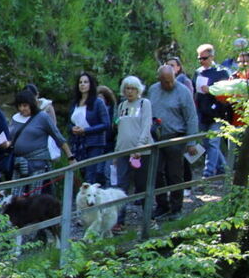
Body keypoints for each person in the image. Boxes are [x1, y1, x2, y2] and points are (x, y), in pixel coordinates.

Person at [146, 65, 199, 219]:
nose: (169, 84)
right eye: (165, 82)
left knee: (174, 174)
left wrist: (191, 141)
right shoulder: (153, 90)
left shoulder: (183, 91)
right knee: (156, 172)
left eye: (171, 81)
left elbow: (191, 117)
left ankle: (176, 208)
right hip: (157, 137)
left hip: (176, 136)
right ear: (159, 79)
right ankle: (162, 205)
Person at [9, 88, 69, 185]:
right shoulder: (15, 118)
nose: (22, 109)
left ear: (31, 104)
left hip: (38, 163)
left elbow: (58, 137)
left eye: (25, 105)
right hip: (19, 163)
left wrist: (70, 157)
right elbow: (10, 137)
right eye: (19, 106)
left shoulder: (42, 117)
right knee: (16, 193)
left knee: (36, 193)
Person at [112, 77, 152, 214]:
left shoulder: (144, 103)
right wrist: (116, 152)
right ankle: (120, 219)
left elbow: (146, 125)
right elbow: (119, 130)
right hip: (123, 151)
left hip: (141, 152)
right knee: (121, 186)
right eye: (127, 88)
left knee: (142, 185)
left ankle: (148, 216)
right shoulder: (121, 106)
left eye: (133, 88)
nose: (130, 91)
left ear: (138, 90)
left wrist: (140, 146)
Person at [66, 71, 111, 186]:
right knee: (82, 171)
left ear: (91, 84)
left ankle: (91, 195)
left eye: (85, 82)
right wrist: (72, 129)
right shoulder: (75, 103)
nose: (82, 84)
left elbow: (106, 124)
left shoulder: (98, 102)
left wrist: (86, 130)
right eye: (80, 82)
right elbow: (69, 123)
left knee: (90, 174)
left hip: (94, 143)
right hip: (78, 143)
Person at [192, 44, 230, 177]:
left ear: (212, 57)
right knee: (207, 143)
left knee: (213, 142)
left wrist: (211, 90)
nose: (201, 61)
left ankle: (208, 173)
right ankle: (224, 169)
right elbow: (193, 90)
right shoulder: (198, 72)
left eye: (204, 58)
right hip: (202, 112)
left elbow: (226, 92)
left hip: (217, 113)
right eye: (199, 58)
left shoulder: (221, 72)